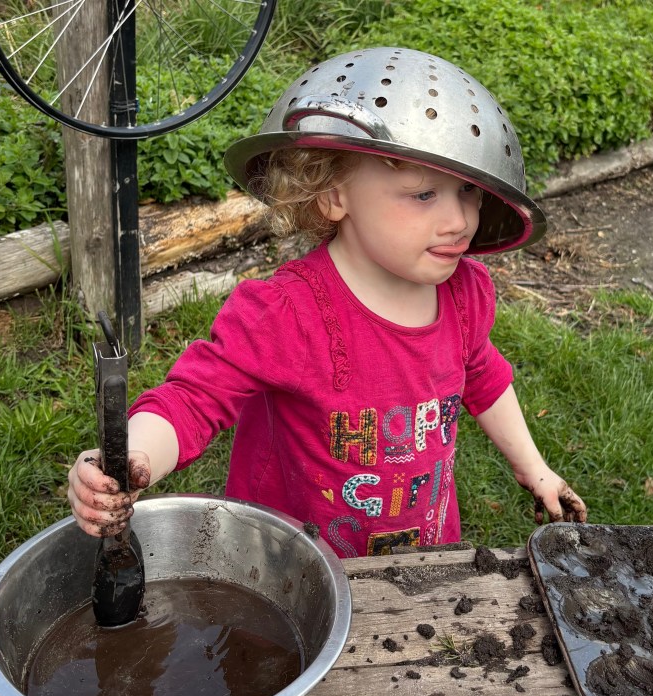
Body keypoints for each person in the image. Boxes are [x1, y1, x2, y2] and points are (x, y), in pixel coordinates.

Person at [68, 47, 587, 558]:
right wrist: (132, 458)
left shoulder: (465, 293)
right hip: (293, 564)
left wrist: (533, 468)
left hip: (422, 557)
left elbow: (483, 375)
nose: (459, 221)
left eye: (468, 193)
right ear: (333, 195)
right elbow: (193, 400)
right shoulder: (287, 312)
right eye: (424, 195)